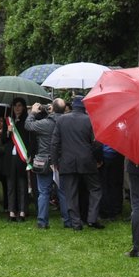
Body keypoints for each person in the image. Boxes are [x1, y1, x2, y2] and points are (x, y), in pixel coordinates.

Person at [53, 97, 101, 230]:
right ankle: (92, 218)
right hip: (87, 160)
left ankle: (76, 223)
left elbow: (55, 143)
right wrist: (97, 159)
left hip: (67, 161)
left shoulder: (61, 120)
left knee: (71, 193)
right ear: (84, 107)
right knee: (95, 189)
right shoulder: (89, 120)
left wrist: (54, 161)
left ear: (73, 106)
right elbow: (97, 143)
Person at [24, 100, 61, 229]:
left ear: (53, 109)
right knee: (63, 192)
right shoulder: (65, 121)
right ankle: (69, 220)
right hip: (61, 161)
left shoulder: (46, 123)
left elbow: (28, 125)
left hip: (44, 160)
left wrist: (33, 112)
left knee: (43, 192)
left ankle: (42, 221)